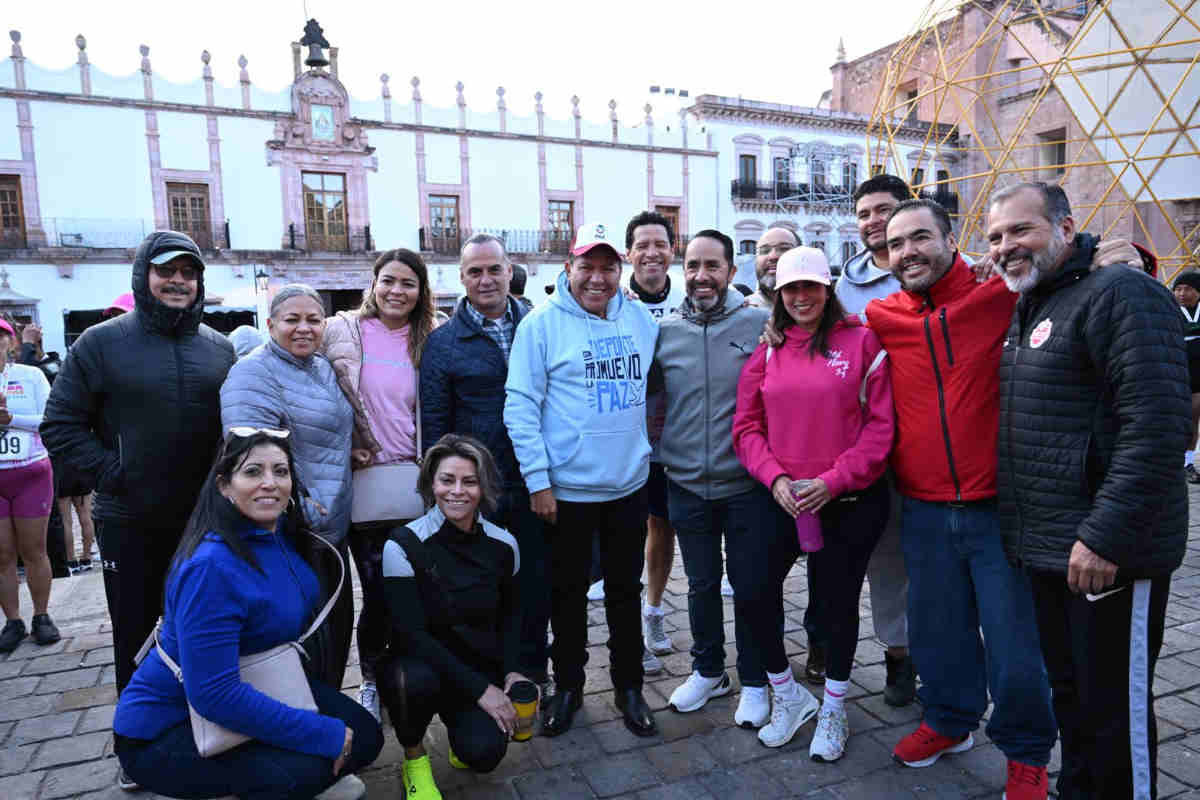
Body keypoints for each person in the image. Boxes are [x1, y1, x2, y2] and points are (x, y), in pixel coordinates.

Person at [991, 182, 1190, 800]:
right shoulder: (1037, 303)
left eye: (1020, 230)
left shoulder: (1120, 293)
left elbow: (1159, 425)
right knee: (1074, 702)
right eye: (995, 236)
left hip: (1109, 556)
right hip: (1050, 550)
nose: (1005, 246)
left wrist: (1104, 536)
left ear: (1066, 227)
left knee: (1114, 714)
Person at [866, 198, 1056, 798]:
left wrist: (1126, 251)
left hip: (998, 505)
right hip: (921, 506)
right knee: (936, 632)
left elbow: (1069, 269)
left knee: (1014, 643)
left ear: (951, 240)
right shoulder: (881, 315)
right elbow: (818, 335)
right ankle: (949, 721)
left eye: (921, 238)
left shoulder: (1000, 295)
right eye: (897, 244)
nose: (908, 252)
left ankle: (1026, 754)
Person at [111, 430, 382, 799]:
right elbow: (213, 695)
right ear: (224, 485)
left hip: (256, 680)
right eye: (253, 472)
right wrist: (321, 734)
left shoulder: (278, 535)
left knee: (366, 737)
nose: (269, 483)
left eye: (281, 471)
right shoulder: (210, 568)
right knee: (308, 765)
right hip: (168, 726)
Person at [41, 231, 235, 699]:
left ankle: (203, 729)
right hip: (131, 521)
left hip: (203, 522)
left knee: (206, 629)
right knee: (136, 636)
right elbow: (60, 425)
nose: (177, 281)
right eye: (166, 270)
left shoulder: (219, 348)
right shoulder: (100, 343)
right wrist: (117, 474)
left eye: (188, 273)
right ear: (144, 274)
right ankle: (139, 741)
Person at [733, 247, 893, 757]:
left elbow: (881, 429)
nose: (801, 297)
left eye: (811, 287)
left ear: (828, 289)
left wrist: (835, 479)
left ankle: (833, 709)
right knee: (753, 590)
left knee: (834, 609)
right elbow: (746, 427)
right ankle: (787, 695)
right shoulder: (768, 349)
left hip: (847, 499)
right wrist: (775, 477)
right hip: (780, 497)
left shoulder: (863, 342)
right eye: (791, 289)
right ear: (778, 295)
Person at [504, 221, 660, 738]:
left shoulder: (640, 319)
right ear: (567, 269)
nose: (598, 278)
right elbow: (521, 407)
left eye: (608, 267)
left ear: (621, 270)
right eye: (587, 267)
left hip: (627, 486)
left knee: (624, 591)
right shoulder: (541, 326)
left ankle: (628, 686)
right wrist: (538, 481)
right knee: (565, 595)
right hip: (565, 492)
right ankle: (569, 685)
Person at [649, 231, 770, 723]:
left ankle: (757, 680)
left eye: (712, 266)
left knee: (749, 585)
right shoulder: (666, 330)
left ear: (731, 272)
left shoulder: (762, 323)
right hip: (684, 482)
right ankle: (709, 671)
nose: (702, 276)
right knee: (699, 585)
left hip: (745, 483)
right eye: (693, 265)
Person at [420, 234, 548, 687]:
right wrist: (444, 496)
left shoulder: (537, 323)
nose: (486, 279)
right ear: (462, 278)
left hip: (536, 480)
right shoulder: (444, 343)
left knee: (535, 584)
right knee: (483, 587)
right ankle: (488, 679)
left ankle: (533, 675)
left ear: (509, 270)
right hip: (479, 488)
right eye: (475, 271)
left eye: (494, 269)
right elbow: (435, 425)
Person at [221, 284, 356, 691]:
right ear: (270, 324)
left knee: (334, 630)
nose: (303, 328)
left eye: (313, 319)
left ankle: (329, 721)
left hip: (333, 529)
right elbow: (249, 459)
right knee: (300, 642)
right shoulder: (253, 371)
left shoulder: (322, 367)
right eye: (291, 320)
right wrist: (299, 509)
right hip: (290, 532)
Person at [378, 434, 529, 799]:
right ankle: (414, 759)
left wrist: (512, 671)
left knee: (483, 754)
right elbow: (411, 634)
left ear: (483, 487)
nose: (457, 491)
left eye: (469, 481)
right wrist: (482, 692)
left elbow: (512, 617)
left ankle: (460, 736)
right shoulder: (401, 545)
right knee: (408, 681)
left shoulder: (504, 544)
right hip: (421, 664)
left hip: (475, 663)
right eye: (447, 480)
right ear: (432, 483)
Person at [323, 249, 436, 721]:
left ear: (420, 291)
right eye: (388, 281)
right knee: (375, 590)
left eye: (407, 283)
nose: (396, 291)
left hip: (416, 483)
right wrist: (345, 443)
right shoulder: (342, 331)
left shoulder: (432, 335)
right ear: (373, 283)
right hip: (365, 482)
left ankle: (412, 676)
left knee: (416, 589)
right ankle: (371, 680)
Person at [825, 174, 919, 706]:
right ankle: (898, 658)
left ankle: (948, 657)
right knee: (886, 564)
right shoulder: (845, 286)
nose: (872, 221)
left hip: (932, 441)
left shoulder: (932, 269)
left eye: (883, 210)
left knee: (931, 563)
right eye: (863, 213)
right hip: (870, 449)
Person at [624, 210, 687, 673]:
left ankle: (653, 613)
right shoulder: (613, 299)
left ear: (672, 249)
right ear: (629, 252)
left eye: (659, 244)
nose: (650, 252)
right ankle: (628, 626)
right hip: (622, 444)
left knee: (662, 531)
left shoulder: (688, 297)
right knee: (625, 536)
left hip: (675, 441)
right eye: (641, 244)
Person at [0, 318, 59, 653]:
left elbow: (49, 419)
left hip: (30, 473)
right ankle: (12, 620)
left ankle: (42, 615)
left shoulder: (31, 375)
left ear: (10, 343)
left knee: (34, 550)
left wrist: (11, 420)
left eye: (0, 338)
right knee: (2, 554)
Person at [1173, 271, 1200, 483]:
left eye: (1188, 289)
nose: (1182, 293)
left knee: (1194, 417)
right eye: (1178, 289)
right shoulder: (1168, 309)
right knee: (1187, 418)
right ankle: (1183, 462)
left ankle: (1187, 462)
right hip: (1178, 371)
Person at [746, 226, 799, 310]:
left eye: (784, 249)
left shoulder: (820, 311)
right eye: (764, 251)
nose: (772, 256)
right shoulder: (740, 312)